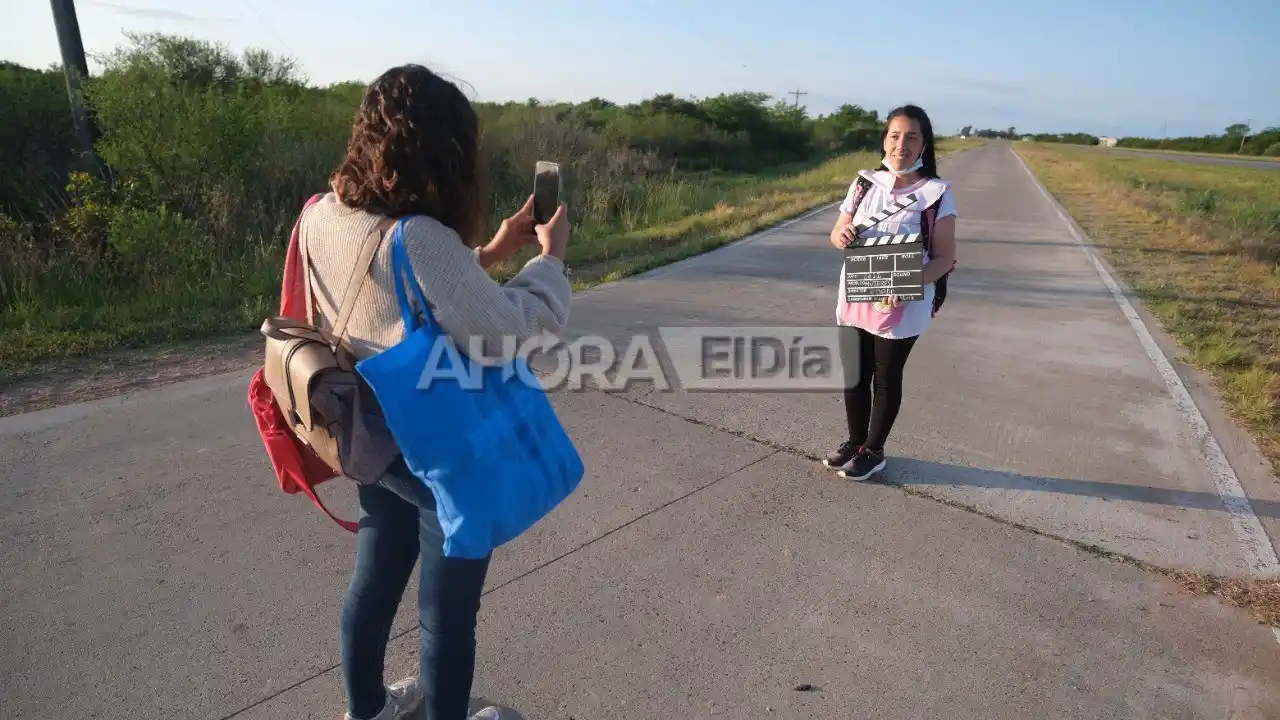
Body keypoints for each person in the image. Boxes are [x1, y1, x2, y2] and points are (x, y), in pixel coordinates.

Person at [297, 64, 574, 720]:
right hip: (433, 450)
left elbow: (398, 294)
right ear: (443, 149)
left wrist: (493, 249)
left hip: (368, 431)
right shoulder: (418, 236)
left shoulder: (323, 211)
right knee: (448, 616)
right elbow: (503, 330)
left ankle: (367, 709)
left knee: (372, 584)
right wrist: (549, 260)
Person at [823, 104, 957, 481]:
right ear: (885, 140)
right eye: (895, 135)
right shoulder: (864, 183)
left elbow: (945, 258)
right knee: (854, 374)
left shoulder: (937, 193)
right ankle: (854, 442)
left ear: (924, 144)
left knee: (885, 377)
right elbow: (837, 232)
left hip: (901, 301)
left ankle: (873, 450)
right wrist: (841, 235)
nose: (902, 144)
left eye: (912, 136)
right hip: (857, 293)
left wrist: (907, 285)